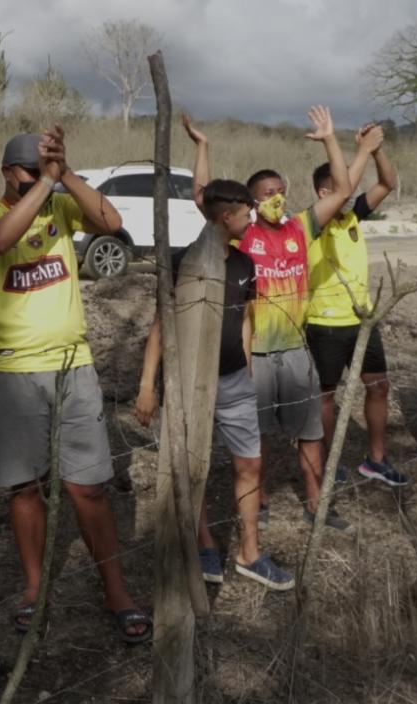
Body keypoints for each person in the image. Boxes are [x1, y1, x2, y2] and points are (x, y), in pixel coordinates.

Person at [0, 126, 151, 643]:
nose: (39, 180)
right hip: (15, 369)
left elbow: (112, 223)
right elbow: (0, 241)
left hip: (74, 364)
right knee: (26, 487)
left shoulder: (60, 206)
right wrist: (46, 186)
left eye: (44, 170)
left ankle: (116, 591)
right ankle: (34, 588)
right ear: (8, 173)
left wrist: (64, 173)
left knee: (87, 487)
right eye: (31, 172)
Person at [188, 106, 355, 532]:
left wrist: (331, 139)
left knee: (311, 434)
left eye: (281, 190)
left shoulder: (301, 226)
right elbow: (204, 197)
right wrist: (203, 147)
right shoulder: (244, 234)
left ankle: (318, 503)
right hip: (256, 355)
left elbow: (342, 189)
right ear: (250, 200)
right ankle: (257, 503)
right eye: (267, 192)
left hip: (297, 353)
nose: (276, 197)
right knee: (255, 437)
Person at [134, 174, 295, 591]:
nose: (253, 218)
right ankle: (204, 545)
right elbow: (159, 328)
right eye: (247, 213)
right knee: (193, 467)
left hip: (236, 381)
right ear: (226, 217)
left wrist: (246, 366)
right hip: (190, 385)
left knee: (250, 462)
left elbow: (243, 316)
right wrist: (148, 386)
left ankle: (249, 553)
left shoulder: (244, 263)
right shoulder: (183, 263)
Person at [305, 124, 410, 487]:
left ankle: (376, 460)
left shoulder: (353, 216)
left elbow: (387, 184)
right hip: (325, 324)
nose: (348, 195)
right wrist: (361, 151)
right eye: (339, 188)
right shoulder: (313, 222)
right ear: (323, 192)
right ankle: (326, 464)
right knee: (326, 396)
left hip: (363, 320)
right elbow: (347, 186)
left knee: (378, 386)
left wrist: (376, 149)